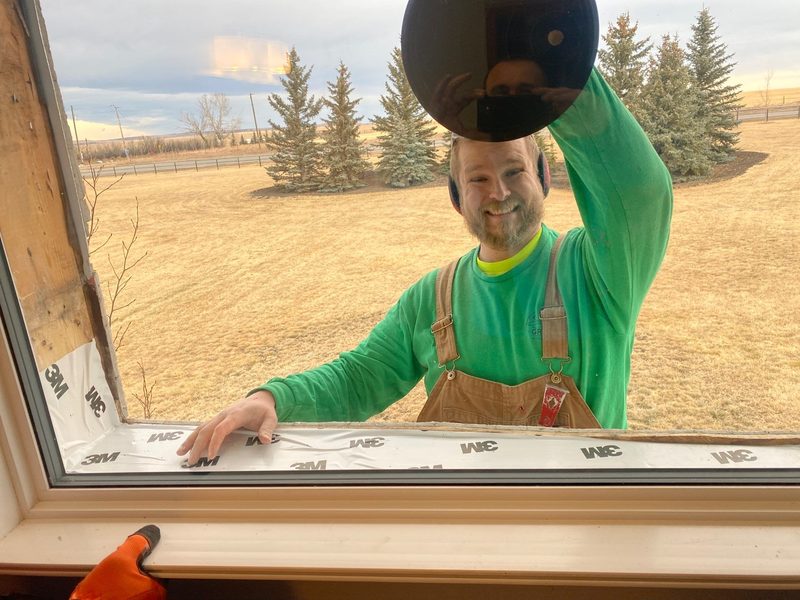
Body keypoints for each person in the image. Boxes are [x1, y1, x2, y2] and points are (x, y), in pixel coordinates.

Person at [178, 67, 673, 465]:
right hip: (462, 534)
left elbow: (639, 193)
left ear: (544, 176)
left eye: (514, 170)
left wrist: (556, 78)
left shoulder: (599, 271)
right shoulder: (433, 299)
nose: (498, 192)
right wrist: (272, 399)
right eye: (478, 178)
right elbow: (361, 376)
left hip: (580, 529)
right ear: (457, 198)